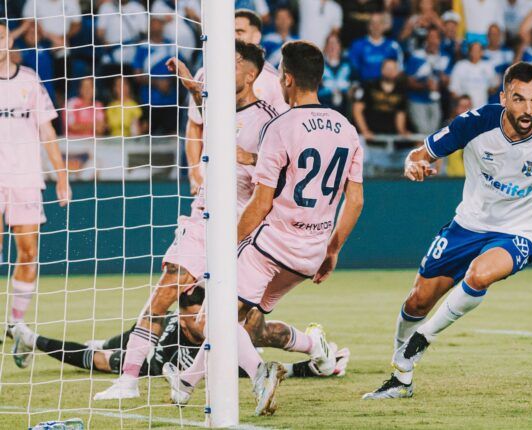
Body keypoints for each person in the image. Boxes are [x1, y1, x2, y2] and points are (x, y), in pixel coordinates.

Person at [362, 62, 532, 400]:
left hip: (521, 232)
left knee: (480, 274)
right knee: (418, 299)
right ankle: (400, 373)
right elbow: (419, 153)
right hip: (468, 225)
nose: (528, 110)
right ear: (503, 97)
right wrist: (413, 164)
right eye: (519, 99)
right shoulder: (476, 122)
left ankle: (422, 340)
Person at [170, 40, 365, 416]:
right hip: (309, 254)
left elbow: (261, 203)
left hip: (272, 244)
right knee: (247, 325)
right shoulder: (346, 128)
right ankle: (187, 382)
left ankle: (260, 372)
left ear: (287, 79)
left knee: (214, 317)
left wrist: (226, 246)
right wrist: (332, 249)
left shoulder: (281, 126)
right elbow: (354, 201)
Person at [92, 41, 279, 401]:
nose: (226, 66)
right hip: (203, 217)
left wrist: (248, 156)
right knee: (163, 294)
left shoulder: (268, 120)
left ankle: (260, 371)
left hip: (242, 227)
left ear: (252, 73)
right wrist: (194, 92)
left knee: (212, 323)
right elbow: (205, 117)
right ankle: (128, 381)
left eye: (235, 61)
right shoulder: (218, 106)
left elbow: (279, 174)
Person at [11, 288, 350, 379]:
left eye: (199, 318)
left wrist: (315, 367)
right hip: (145, 347)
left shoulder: (226, 336)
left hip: (153, 362)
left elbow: (255, 371)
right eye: (190, 318)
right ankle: (30, 339)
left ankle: (29, 339)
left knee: (99, 358)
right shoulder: (172, 325)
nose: (193, 323)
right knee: (104, 348)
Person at [0, 20, 70, 334]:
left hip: (26, 178)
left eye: (2, 37)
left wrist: (62, 176)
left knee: (28, 251)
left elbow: (47, 131)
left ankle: (15, 323)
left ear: (9, 41)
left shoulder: (29, 80)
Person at [185, 10, 288, 196]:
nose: (233, 36)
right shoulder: (204, 73)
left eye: (239, 31)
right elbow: (194, 125)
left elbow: (282, 137)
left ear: (256, 35)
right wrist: (194, 173)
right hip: (210, 183)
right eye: (229, 31)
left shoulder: (273, 80)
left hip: (249, 188)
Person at [405, 27, 451, 135]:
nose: (433, 41)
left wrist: (442, 79)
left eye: (435, 38)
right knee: (423, 132)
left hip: (435, 100)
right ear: (426, 40)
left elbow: (447, 82)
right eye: (430, 37)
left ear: (440, 40)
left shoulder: (444, 58)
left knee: (434, 133)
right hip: (417, 100)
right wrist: (425, 85)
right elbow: (408, 81)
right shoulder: (416, 56)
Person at [349, 13, 404, 83]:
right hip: (365, 85)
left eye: (380, 23)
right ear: (368, 26)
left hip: (386, 87)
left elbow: (400, 70)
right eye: (373, 23)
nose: (376, 26)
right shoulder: (358, 45)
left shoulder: (393, 46)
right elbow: (353, 69)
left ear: (384, 26)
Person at [449, 42, 500, 108]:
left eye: (478, 50)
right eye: (473, 50)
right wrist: (463, 102)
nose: (475, 53)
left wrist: (490, 90)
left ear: (482, 52)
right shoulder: (460, 66)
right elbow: (453, 91)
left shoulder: (488, 66)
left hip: (482, 110)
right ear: (469, 52)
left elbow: (495, 86)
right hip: (465, 111)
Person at [319, 33, 352, 114]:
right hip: (323, 108)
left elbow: (355, 84)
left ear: (340, 46)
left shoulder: (348, 65)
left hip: (344, 108)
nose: (332, 46)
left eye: (335, 43)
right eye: (330, 43)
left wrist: (352, 90)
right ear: (325, 47)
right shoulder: (318, 66)